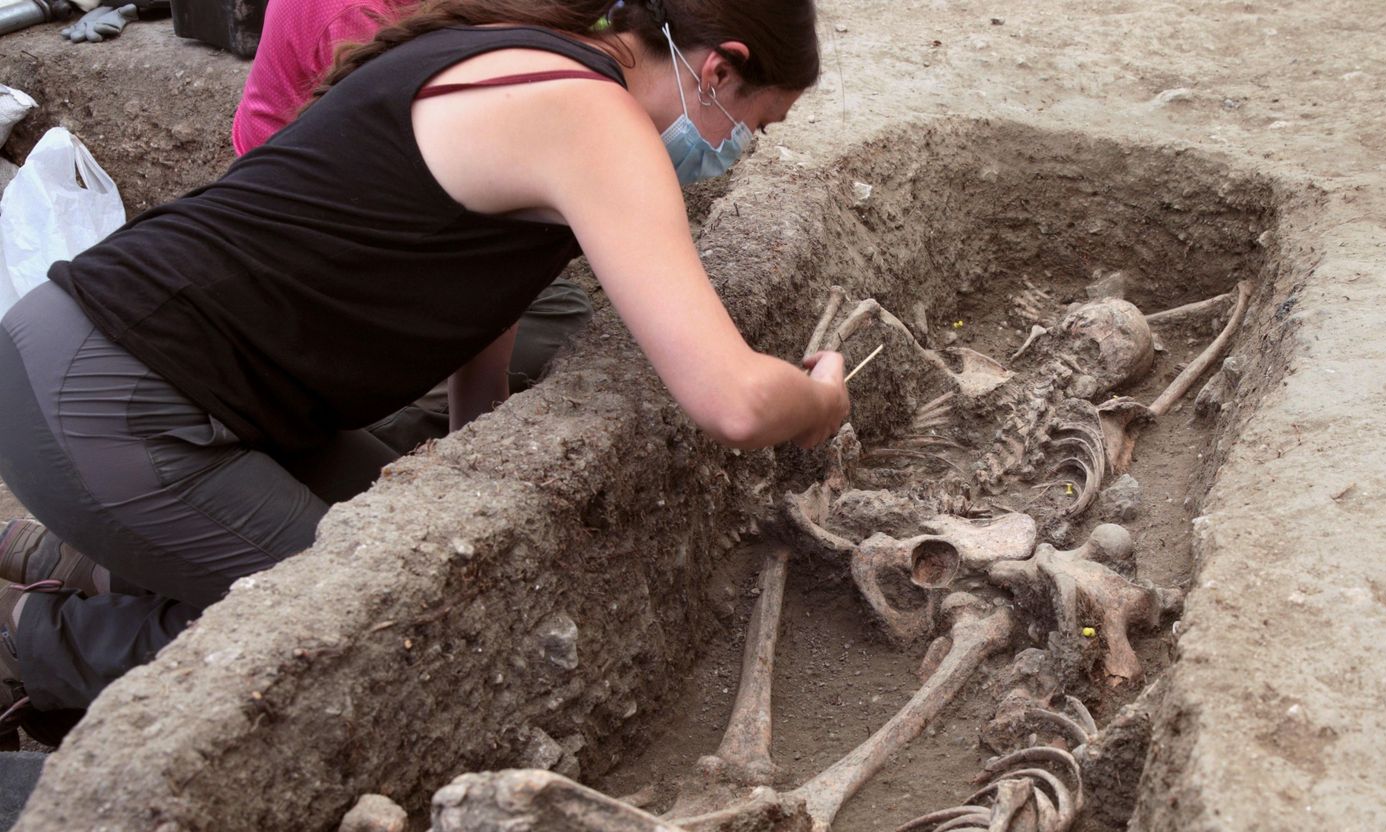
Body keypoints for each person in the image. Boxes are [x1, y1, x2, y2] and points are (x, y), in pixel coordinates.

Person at [0, 0, 849, 763]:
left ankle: (58, 556)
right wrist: (817, 401)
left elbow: (482, 275)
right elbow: (734, 402)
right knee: (388, 641)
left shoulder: (536, 50)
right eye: (756, 124)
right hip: (111, 394)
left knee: (433, 571)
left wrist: (480, 451)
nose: (740, 148)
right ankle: (25, 641)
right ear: (719, 69)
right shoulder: (597, 121)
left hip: (180, 384)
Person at [235, 0, 592, 453]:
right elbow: (397, 189)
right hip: (321, 247)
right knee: (526, 313)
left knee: (556, 308)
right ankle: (370, 425)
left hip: (349, 216)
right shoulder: (353, 17)